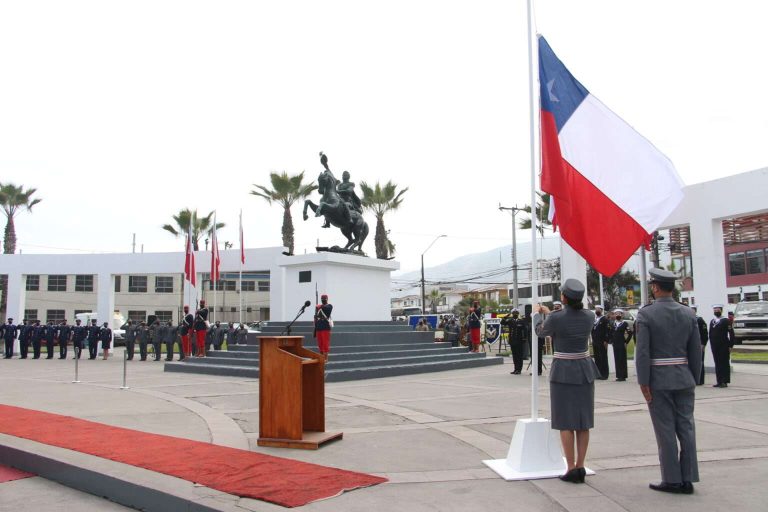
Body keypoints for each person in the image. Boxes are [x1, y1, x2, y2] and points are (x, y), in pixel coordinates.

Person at [635, 268, 701, 494]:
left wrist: (643, 381)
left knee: (665, 429)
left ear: (655, 287)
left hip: (658, 379)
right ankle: (689, 477)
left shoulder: (646, 314)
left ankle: (672, 479)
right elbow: (695, 352)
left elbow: (642, 352)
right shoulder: (688, 313)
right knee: (686, 427)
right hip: (684, 377)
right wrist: (693, 376)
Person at [536, 279, 600, 484]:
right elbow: (568, 319)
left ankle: (570, 467)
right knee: (583, 422)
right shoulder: (589, 316)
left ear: (564, 298)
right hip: (583, 369)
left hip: (563, 370)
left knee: (565, 421)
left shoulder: (556, 317)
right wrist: (550, 313)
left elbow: (541, 332)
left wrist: (539, 314)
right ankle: (581, 465)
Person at [709, 304, 734, 388]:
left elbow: (731, 333)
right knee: (717, 363)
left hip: (724, 345)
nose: (716, 311)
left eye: (718, 309)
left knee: (724, 363)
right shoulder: (712, 321)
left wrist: (731, 345)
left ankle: (724, 381)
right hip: (715, 346)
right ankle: (719, 381)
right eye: (715, 310)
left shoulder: (726, 321)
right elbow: (710, 334)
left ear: (721, 310)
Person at [609, 309, 633, 381]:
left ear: (622, 315)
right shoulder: (613, 323)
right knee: (617, 359)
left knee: (622, 359)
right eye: (616, 314)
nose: (618, 315)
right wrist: (611, 341)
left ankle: (623, 376)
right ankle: (618, 375)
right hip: (615, 343)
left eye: (619, 314)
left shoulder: (624, 323)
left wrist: (626, 342)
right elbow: (610, 333)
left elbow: (630, 333)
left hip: (622, 343)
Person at [503, 309, 528, 375]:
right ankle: (515, 369)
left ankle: (519, 369)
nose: (515, 315)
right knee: (514, 355)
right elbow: (502, 322)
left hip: (519, 341)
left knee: (519, 356)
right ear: (512, 314)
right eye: (513, 314)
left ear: (518, 314)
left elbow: (525, 331)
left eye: (516, 314)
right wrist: (506, 316)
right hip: (512, 341)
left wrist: (524, 338)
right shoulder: (510, 321)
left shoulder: (521, 321)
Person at [591, 305, 610, 380]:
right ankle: (598, 373)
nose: (597, 310)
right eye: (596, 309)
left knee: (603, 357)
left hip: (602, 341)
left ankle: (604, 374)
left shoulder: (604, 319)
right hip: (595, 341)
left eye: (598, 309)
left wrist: (606, 340)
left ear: (601, 310)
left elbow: (607, 330)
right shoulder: (595, 319)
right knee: (597, 357)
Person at [691, 306, 708, 385]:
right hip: (691, 345)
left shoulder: (700, 320)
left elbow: (705, 333)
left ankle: (700, 380)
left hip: (699, 344)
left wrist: (703, 344)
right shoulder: (688, 319)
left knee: (700, 362)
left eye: (692, 310)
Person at [314, 294, 333, 361]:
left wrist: (320, 306)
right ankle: (321, 357)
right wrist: (315, 327)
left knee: (325, 343)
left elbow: (326, 309)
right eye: (322, 299)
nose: (323, 300)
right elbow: (316, 317)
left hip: (325, 327)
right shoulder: (318, 307)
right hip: (319, 327)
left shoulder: (329, 306)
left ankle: (326, 358)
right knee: (320, 344)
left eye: (324, 299)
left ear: (327, 299)